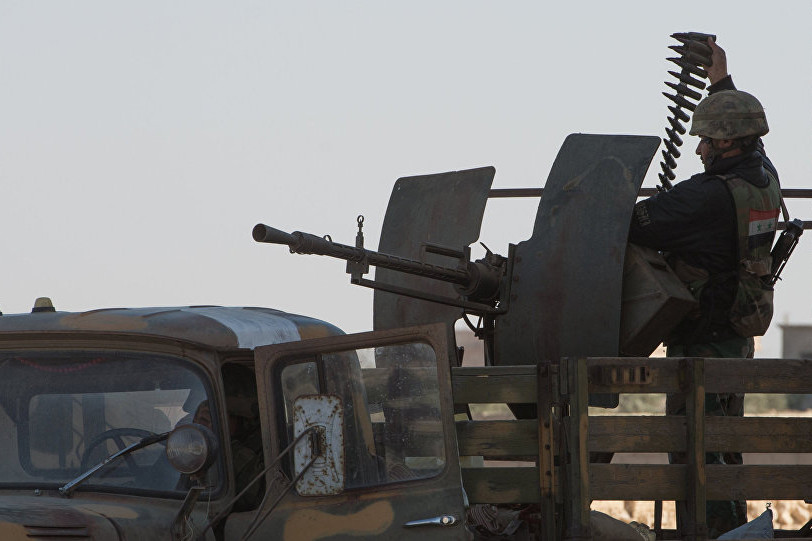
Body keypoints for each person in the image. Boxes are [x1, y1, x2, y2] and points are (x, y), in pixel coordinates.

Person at [628, 38, 781, 537]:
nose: (699, 149)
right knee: (724, 447)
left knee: (696, 455)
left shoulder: (706, 198)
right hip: (736, 336)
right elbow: (750, 137)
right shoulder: (764, 178)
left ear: (729, 144)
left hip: (703, 343)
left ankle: (714, 536)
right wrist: (721, 82)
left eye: (708, 141)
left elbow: (636, 223)